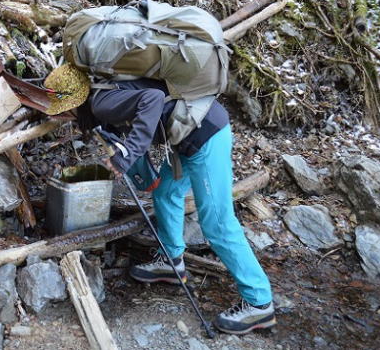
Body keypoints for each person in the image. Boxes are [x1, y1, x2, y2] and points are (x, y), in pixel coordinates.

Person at [44, 64, 276, 335]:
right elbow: (129, 132)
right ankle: (171, 260)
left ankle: (259, 303)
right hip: (188, 136)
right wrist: (139, 170)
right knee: (166, 192)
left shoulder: (103, 102)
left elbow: (152, 101)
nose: (65, 118)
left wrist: (128, 154)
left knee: (218, 224)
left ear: (75, 102)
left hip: (206, 136)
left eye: (64, 111)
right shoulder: (103, 96)